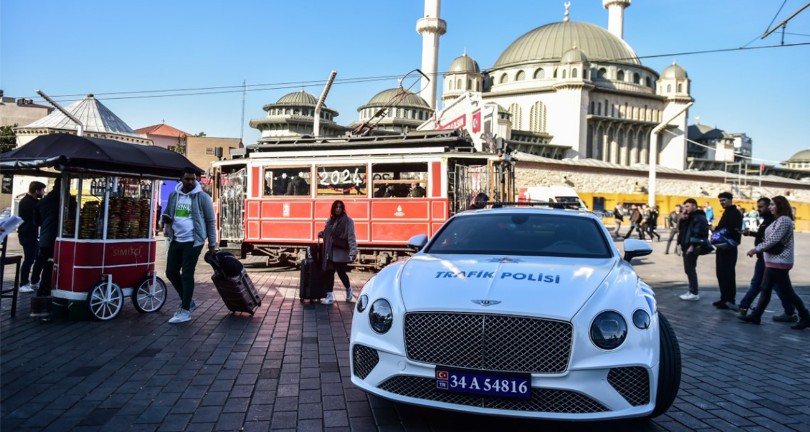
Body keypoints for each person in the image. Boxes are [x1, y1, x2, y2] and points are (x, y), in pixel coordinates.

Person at [739, 196, 810, 330]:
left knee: (787, 291)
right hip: (772, 260)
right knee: (765, 288)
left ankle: (805, 316)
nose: (770, 207)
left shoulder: (784, 220)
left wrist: (755, 249)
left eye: (772, 205)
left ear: (780, 206)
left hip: (780, 260)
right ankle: (756, 315)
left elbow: (773, 240)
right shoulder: (778, 220)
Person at [162, 168, 217, 324]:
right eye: (188, 179)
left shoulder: (203, 197)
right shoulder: (174, 195)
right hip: (176, 239)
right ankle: (188, 301)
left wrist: (212, 244)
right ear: (181, 180)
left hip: (193, 241)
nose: (191, 182)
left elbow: (210, 221)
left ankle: (185, 310)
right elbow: (168, 213)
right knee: (171, 272)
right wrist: (165, 219)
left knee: (187, 273)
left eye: (194, 179)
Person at [319, 200, 357, 305]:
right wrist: (323, 233)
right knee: (329, 273)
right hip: (330, 251)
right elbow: (327, 233)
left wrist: (353, 252)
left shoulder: (348, 221)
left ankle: (349, 290)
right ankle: (330, 296)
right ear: (333, 208)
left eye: (340, 207)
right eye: (336, 207)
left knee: (342, 273)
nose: (338, 209)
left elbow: (351, 237)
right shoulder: (329, 220)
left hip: (341, 251)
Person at [712, 192, 743, 311]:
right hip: (722, 247)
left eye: (724, 200)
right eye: (720, 200)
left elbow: (731, 229)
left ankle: (729, 299)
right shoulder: (727, 212)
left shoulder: (734, 213)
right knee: (721, 273)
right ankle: (723, 298)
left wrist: (717, 230)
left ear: (730, 200)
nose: (721, 203)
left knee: (728, 274)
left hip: (729, 247)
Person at [35, 178, 62, 298]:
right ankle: (47, 292)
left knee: (46, 265)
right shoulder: (65, 200)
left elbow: (37, 222)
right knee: (53, 266)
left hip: (45, 239)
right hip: (58, 238)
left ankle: (43, 291)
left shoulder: (43, 202)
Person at [17, 181, 46, 293]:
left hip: (33, 234)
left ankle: (34, 281)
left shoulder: (33, 201)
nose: (43, 192)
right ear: (36, 190)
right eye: (42, 190)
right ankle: (23, 283)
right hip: (27, 234)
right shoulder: (27, 202)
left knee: (39, 258)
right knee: (29, 259)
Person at [678, 198, 709, 301]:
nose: (685, 208)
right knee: (688, 269)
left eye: (688, 206)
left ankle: (694, 292)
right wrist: (683, 218)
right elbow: (681, 229)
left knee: (690, 269)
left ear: (694, 206)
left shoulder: (699, 217)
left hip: (692, 247)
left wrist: (692, 246)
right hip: (686, 246)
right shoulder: (689, 217)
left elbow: (700, 233)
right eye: (685, 206)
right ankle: (692, 290)